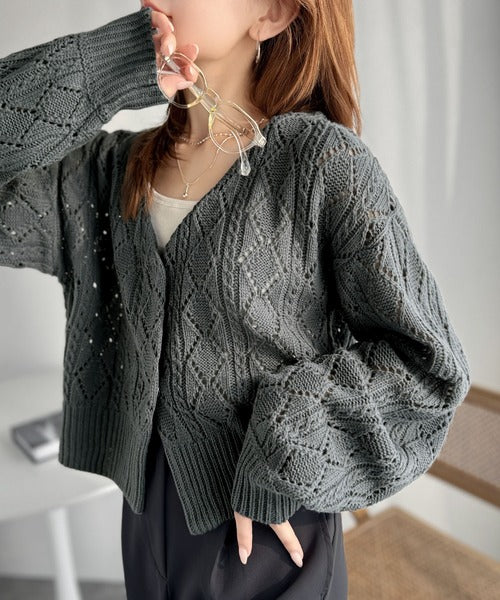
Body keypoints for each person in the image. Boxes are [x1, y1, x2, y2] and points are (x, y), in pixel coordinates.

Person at [0, 1, 471, 599]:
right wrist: (111, 63)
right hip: (145, 525)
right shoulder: (112, 172)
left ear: (270, 15)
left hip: (271, 534)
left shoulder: (320, 165)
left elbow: (426, 367)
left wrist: (291, 439)